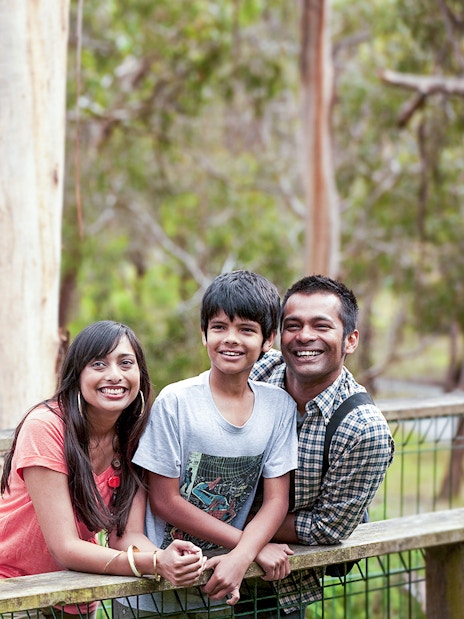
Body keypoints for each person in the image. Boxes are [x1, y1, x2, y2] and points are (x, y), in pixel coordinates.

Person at [113, 270, 298, 619]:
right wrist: (250, 549)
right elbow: (164, 500)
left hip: (217, 587)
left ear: (268, 339)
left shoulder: (279, 407)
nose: (231, 339)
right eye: (219, 327)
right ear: (203, 334)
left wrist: (239, 558)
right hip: (150, 593)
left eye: (246, 330)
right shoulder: (177, 402)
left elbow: (276, 501)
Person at [0, 321, 205, 617]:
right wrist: (154, 563)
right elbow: (65, 547)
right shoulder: (46, 427)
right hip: (13, 588)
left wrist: (171, 557)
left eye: (126, 363)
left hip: (76, 589)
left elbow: (125, 536)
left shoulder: (134, 437)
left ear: (140, 373)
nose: (114, 375)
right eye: (98, 363)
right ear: (77, 374)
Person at [243, 274, 395, 617]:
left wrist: (234, 524)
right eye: (293, 325)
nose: (304, 336)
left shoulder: (363, 430)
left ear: (350, 340)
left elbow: (328, 527)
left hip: (278, 585)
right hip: (201, 566)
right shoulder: (258, 371)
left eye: (321, 325)